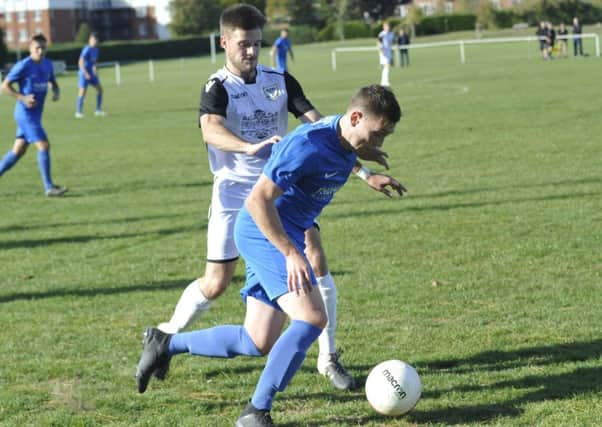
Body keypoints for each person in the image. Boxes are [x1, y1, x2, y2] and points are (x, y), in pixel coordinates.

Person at [149, 3, 403, 392]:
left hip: (287, 191)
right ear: (224, 43)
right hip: (238, 192)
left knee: (315, 259)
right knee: (217, 282)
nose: (250, 52)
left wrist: (363, 172)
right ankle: (164, 336)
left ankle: (328, 357)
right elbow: (210, 131)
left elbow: (326, 130)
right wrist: (248, 148)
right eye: (242, 45)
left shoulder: (280, 80)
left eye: (255, 43)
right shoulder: (217, 86)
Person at [135, 84, 404, 427]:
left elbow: (343, 150)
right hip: (265, 232)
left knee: (257, 340)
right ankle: (256, 411)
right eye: (378, 134)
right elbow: (257, 201)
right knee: (311, 318)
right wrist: (291, 252)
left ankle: (165, 343)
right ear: (355, 117)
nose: (379, 143)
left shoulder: (345, 137)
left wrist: (367, 173)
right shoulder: (306, 144)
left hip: (281, 233)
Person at [0, 33, 67, 197]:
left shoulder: (48, 65)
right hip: (25, 114)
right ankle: (49, 187)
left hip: (35, 115)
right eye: (37, 48)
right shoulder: (23, 65)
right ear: (30, 48)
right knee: (44, 145)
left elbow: (52, 81)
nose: (40, 51)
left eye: (43, 48)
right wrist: (22, 98)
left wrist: (56, 91)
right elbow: (4, 86)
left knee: (18, 151)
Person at [75, 32, 105, 118]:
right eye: (92, 39)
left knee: (100, 89)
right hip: (83, 74)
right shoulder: (87, 49)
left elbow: (94, 62)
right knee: (82, 92)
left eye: (95, 39)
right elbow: (80, 62)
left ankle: (98, 110)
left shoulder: (96, 50)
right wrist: (85, 73)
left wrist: (95, 70)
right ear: (90, 40)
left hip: (91, 74)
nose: (94, 41)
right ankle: (78, 112)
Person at [377, 22, 394, 86]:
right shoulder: (381, 34)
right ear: (383, 27)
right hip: (383, 51)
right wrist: (381, 50)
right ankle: (385, 81)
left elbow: (391, 43)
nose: (387, 27)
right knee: (386, 66)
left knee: (387, 66)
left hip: (389, 51)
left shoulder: (391, 34)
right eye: (386, 26)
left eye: (388, 26)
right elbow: (379, 42)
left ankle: (383, 81)